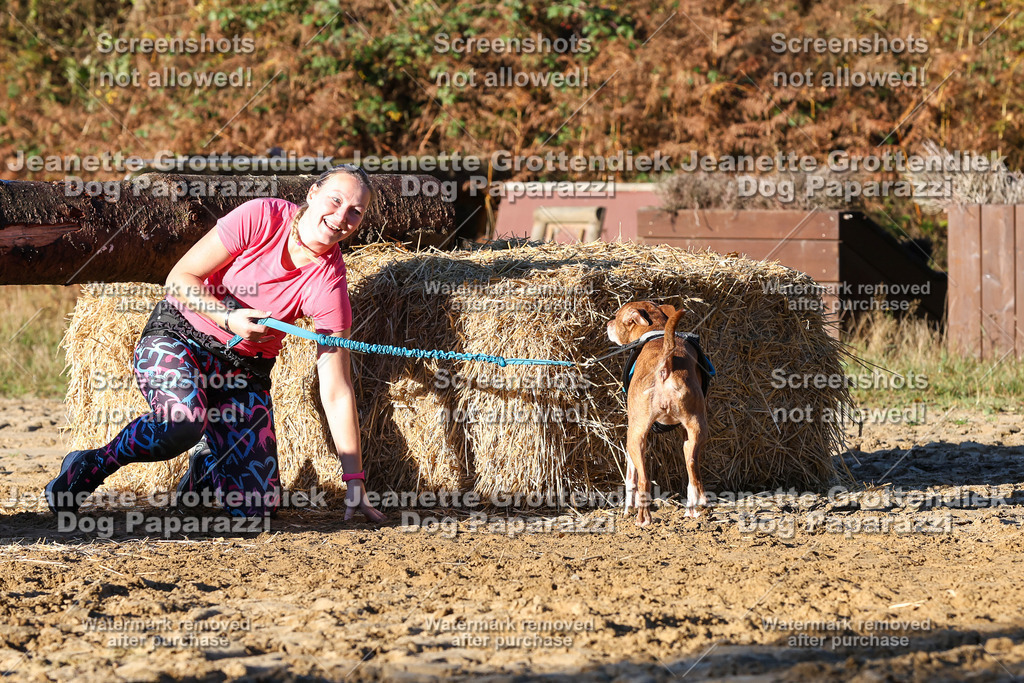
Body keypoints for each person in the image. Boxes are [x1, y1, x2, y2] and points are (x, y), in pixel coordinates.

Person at [46, 165, 387, 522]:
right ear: (312, 193)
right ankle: (91, 464)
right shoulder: (261, 216)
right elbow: (179, 277)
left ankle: (208, 466)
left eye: (355, 212)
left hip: (243, 370)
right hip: (180, 336)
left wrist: (354, 480)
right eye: (335, 200)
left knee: (256, 510)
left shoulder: (330, 285)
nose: (341, 216)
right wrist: (227, 318)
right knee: (182, 422)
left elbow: (336, 388)